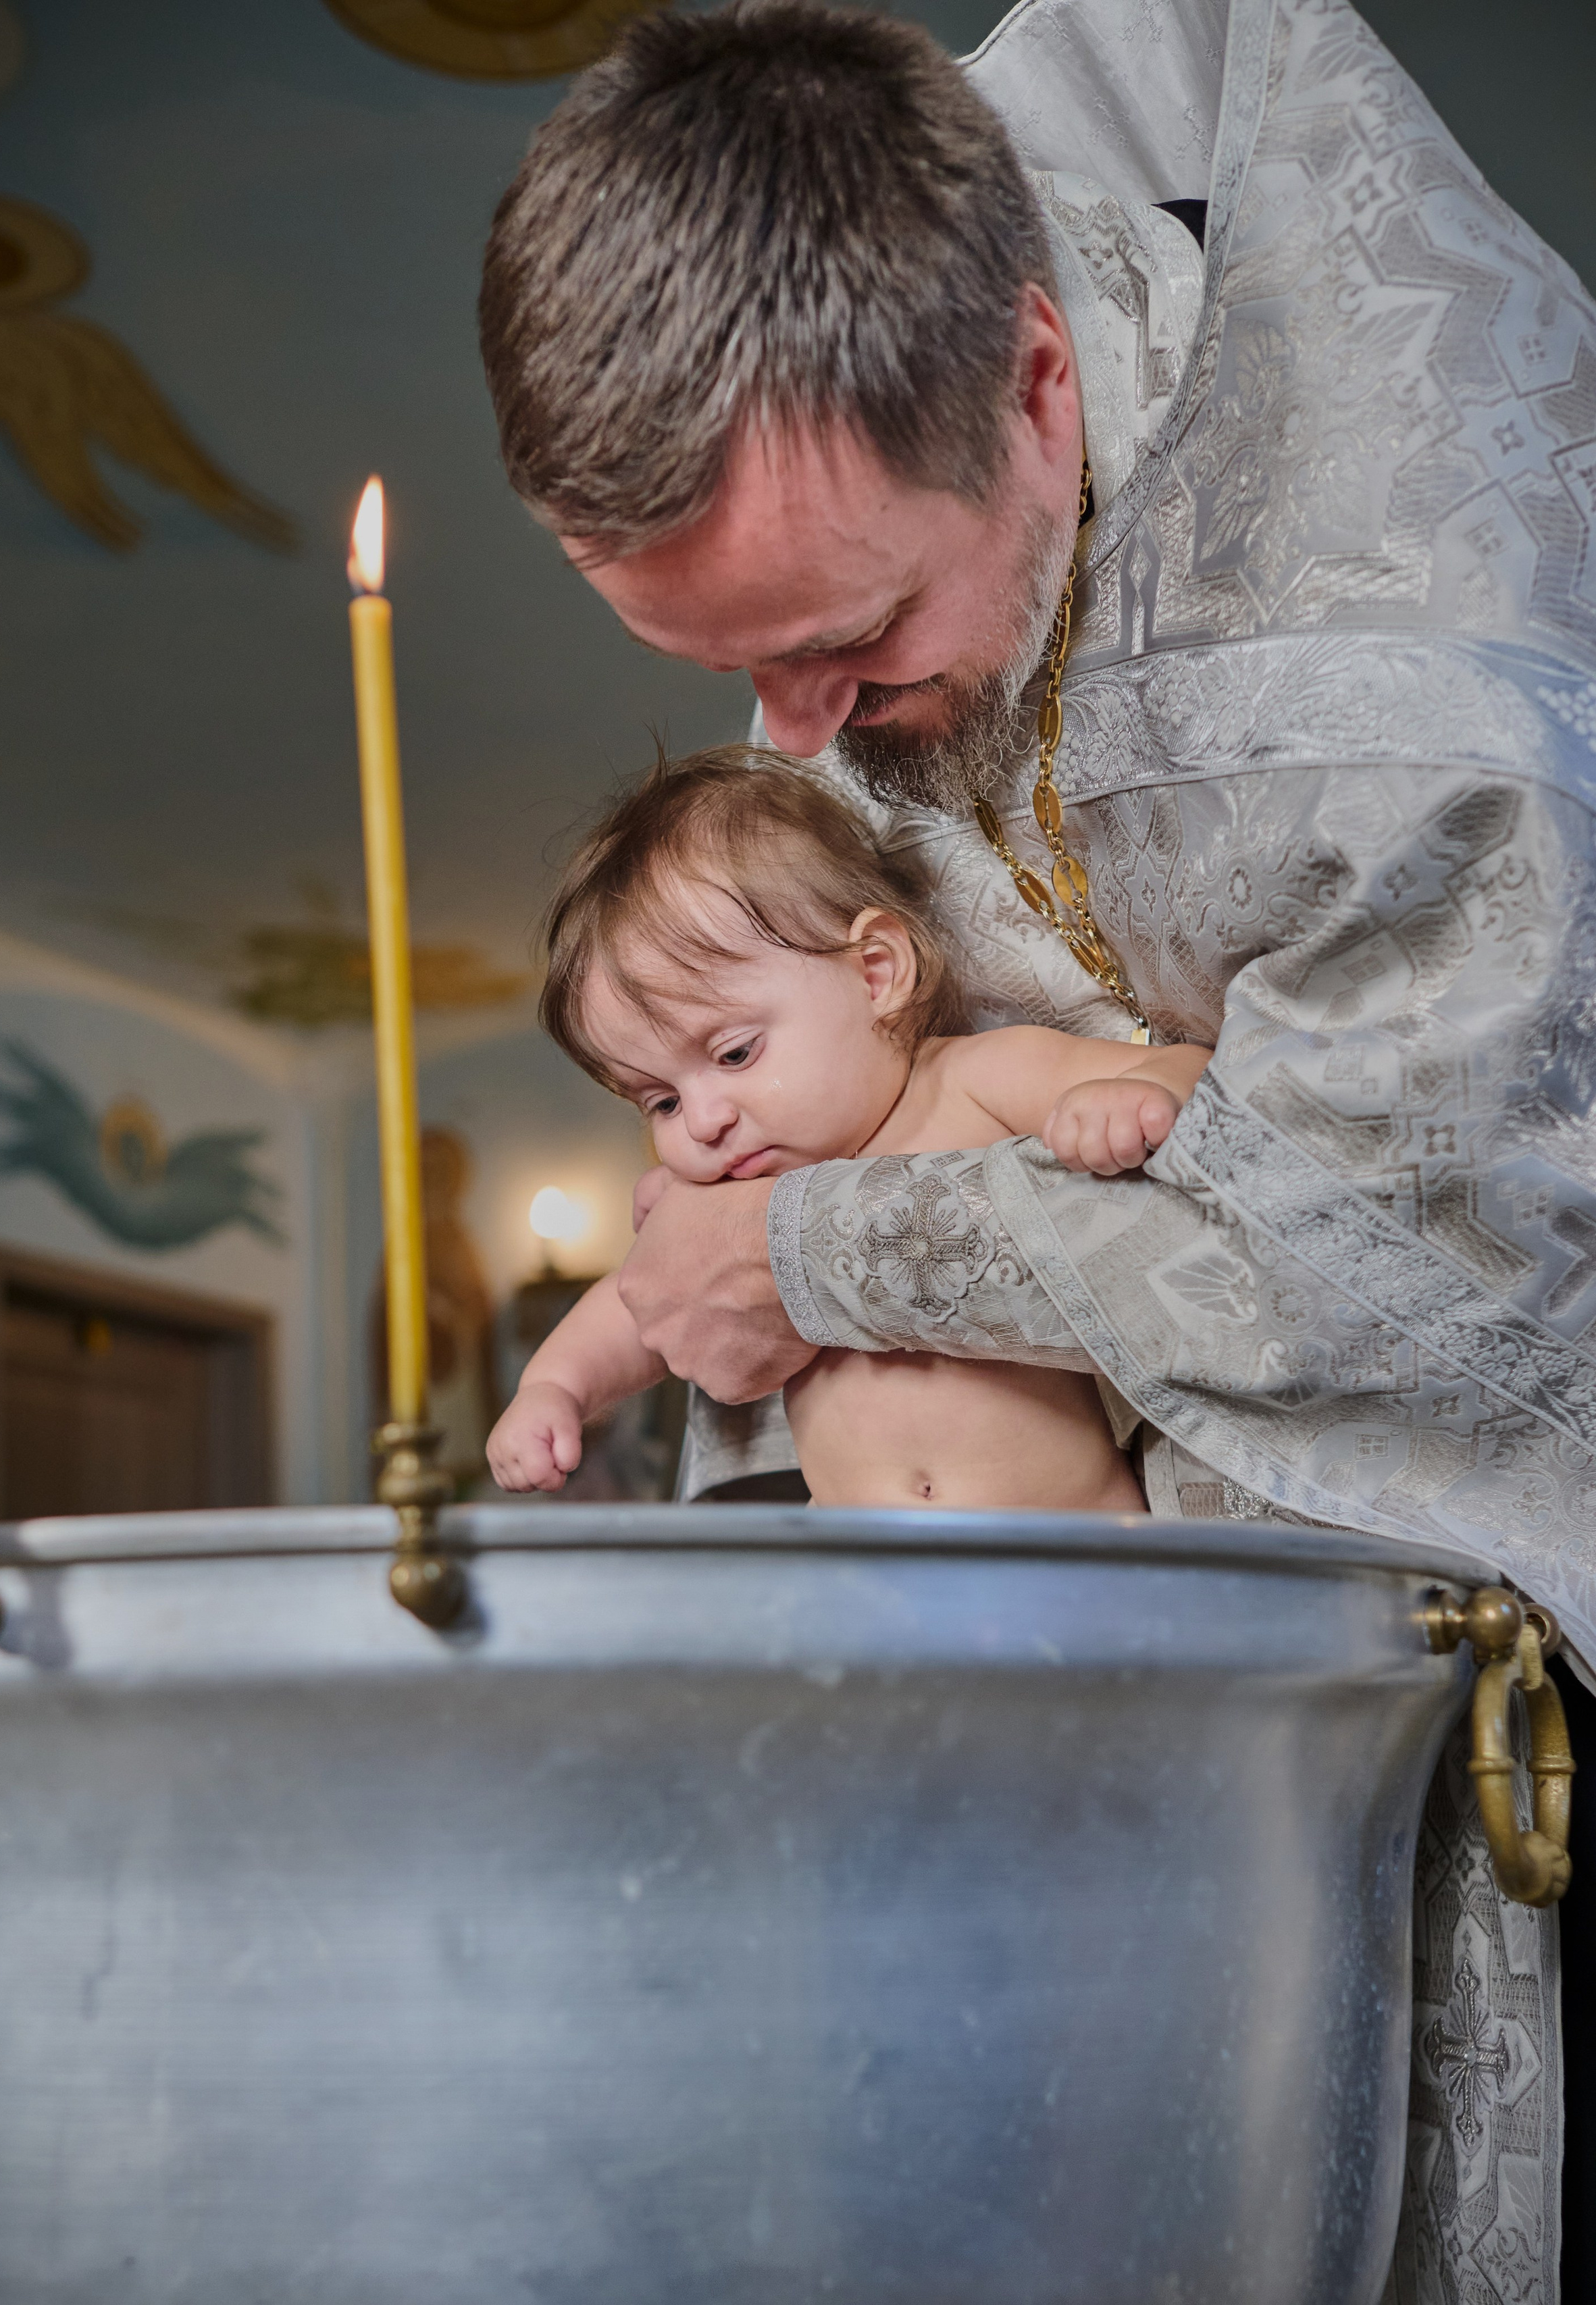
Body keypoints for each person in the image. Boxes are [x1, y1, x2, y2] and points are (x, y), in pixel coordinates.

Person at [478, 0, 1596, 2285]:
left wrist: (811, 1263)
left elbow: (1394, 1258)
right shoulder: (872, 473)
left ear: (1040, 387)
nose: (803, 750)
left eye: (853, 646)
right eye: (741, 666)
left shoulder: (1427, 661)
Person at [488, 749, 1210, 1507]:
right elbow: (638, 1300)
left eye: (735, 1052)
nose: (703, 1119)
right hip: (867, 1578)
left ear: (874, 972)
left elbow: (1191, 1070)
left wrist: (1137, 1096)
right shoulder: (737, 1195)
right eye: (659, 1100)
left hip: (1071, 1556)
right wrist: (554, 1388)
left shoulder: (969, 1080)